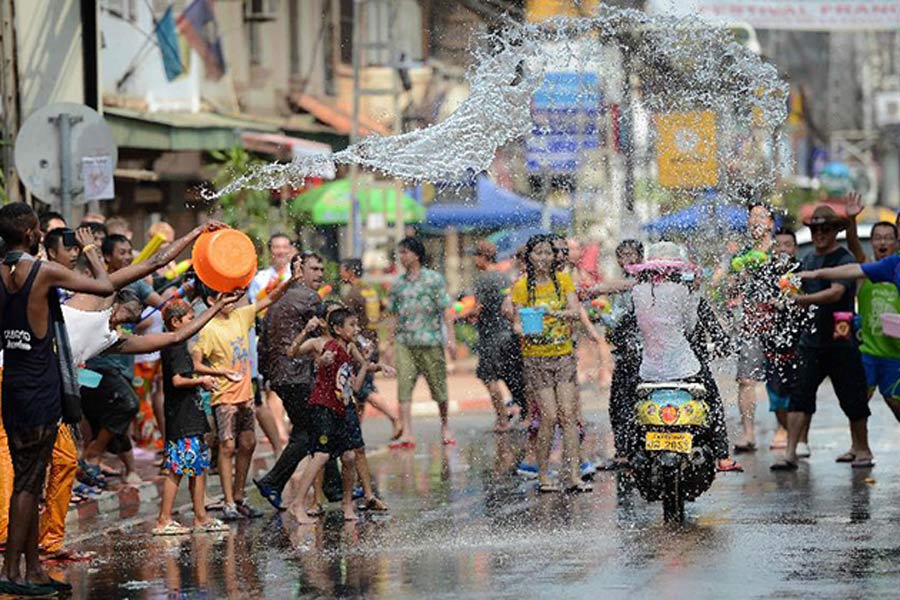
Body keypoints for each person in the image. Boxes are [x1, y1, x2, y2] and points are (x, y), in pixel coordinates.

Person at [0, 202, 114, 596]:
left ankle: (32, 569)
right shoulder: (42, 270)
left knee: (27, 478)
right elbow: (105, 286)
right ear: (32, 234)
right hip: (38, 386)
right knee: (29, 483)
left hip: (12, 383)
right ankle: (13, 570)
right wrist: (91, 252)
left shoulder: (2, 270)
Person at [772, 206, 873, 470]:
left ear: (836, 231)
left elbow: (836, 293)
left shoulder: (843, 259)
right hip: (812, 341)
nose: (819, 234)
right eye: (815, 229)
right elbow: (794, 291)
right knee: (799, 396)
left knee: (853, 397)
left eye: (825, 229)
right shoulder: (808, 261)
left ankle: (862, 448)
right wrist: (782, 300)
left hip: (841, 341)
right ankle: (791, 452)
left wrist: (802, 300)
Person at [192, 273, 296, 521]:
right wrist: (221, 372)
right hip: (223, 397)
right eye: (225, 298)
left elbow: (270, 297)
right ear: (211, 301)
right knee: (227, 446)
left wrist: (292, 281)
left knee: (248, 443)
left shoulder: (241, 315)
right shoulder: (208, 328)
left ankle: (239, 496)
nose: (231, 302)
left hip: (246, 395)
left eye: (232, 298)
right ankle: (228, 502)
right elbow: (196, 363)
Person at [626, 242, 733, 469]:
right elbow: (691, 327)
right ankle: (722, 456)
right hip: (685, 368)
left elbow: (628, 327)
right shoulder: (684, 293)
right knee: (712, 402)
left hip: (649, 371)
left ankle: (627, 454)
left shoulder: (636, 292)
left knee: (629, 404)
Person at [806, 194, 900, 424]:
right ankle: (859, 446)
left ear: (896, 241)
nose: (882, 242)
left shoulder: (894, 265)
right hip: (868, 350)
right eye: (877, 237)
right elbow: (854, 255)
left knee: (896, 402)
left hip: (896, 353)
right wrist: (852, 221)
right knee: (857, 400)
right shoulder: (878, 267)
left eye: (888, 237)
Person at [289, 308, 387, 524]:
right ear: (337, 328)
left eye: (356, 324)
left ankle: (346, 504)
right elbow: (293, 353)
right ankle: (298, 503)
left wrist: (370, 363)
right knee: (321, 455)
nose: (357, 328)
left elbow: (356, 384)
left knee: (350, 457)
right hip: (323, 407)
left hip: (341, 408)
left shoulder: (350, 348)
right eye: (352, 325)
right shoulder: (326, 346)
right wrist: (318, 359)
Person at [511, 234, 592, 494]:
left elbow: (575, 312)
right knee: (548, 416)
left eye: (548, 253)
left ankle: (574, 476)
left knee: (568, 416)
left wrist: (553, 313)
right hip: (536, 358)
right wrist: (525, 331)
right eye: (539, 253)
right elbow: (515, 323)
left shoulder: (563, 281)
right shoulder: (522, 287)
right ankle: (544, 475)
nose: (544, 258)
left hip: (563, 355)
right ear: (529, 258)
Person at [153, 297, 237, 535]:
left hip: (191, 414)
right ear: (176, 322)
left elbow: (191, 369)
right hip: (183, 417)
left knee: (197, 467)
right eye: (190, 319)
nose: (193, 323)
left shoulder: (178, 346)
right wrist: (202, 381)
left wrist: (220, 372)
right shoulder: (176, 346)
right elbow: (178, 380)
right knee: (178, 468)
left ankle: (201, 517)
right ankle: (163, 519)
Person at [253, 251, 326, 510]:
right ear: (300, 270)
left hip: (279, 377)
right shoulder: (310, 299)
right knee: (311, 433)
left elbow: (263, 341)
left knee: (309, 431)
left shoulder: (278, 298)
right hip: (298, 376)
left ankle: (330, 488)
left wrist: (269, 375)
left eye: (321, 269)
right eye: (314, 269)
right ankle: (274, 482)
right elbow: (322, 342)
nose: (320, 274)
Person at [388, 237, 457, 447]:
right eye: (400, 253)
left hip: (430, 341)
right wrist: (389, 344)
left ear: (416, 255)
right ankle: (407, 431)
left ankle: (445, 426)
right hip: (405, 342)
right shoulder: (398, 284)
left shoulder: (434, 280)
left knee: (438, 387)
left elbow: (445, 310)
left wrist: (451, 339)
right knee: (404, 387)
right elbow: (394, 315)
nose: (401, 257)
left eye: (405, 252)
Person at [730, 202, 776, 453]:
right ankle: (748, 434)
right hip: (750, 324)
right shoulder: (741, 255)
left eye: (760, 216)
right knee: (746, 380)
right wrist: (736, 278)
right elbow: (728, 289)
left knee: (782, 380)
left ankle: (786, 431)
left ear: (771, 223)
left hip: (778, 323)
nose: (754, 221)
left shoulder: (780, 251)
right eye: (751, 217)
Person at [339, 258, 402, 438]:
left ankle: (394, 418)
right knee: (360, 392)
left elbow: (346, 321)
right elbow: (383, 309)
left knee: (363, 389)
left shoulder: (353, 293)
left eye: (343, 270)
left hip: (360, 347)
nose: (341, 274)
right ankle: (354, 432)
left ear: (351, 272)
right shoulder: (369, 290)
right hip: (372, 342)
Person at [470, 241, 527, 432]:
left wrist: (465, 316)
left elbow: (478, 308)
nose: (473, 260)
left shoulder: (483, 279)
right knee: (511, 376)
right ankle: (525, 413)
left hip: (490, 337)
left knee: (488, 377)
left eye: (475, 256)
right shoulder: (505, 278)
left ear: (483, 258)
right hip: (508, 335)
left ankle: (502, 418)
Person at [764, 228, 811, 456]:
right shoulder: (766, 275)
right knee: (776, 395)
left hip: (800, 342)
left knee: (801, 394)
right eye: (779, 244)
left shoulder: (804, 273)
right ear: (773, 249)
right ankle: (787, 431)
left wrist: (792, 303)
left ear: (795, 248)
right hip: (773, 345)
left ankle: (801, 439)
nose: (783, 249)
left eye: (788, 244)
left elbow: (811, 305)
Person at [250, 233, 297, 458]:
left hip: (293, 338)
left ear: (290, 250)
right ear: (270, 250)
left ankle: (289, 426)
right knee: (271, 386)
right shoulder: (260, 278)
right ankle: (279, 430)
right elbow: (254, 307)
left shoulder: (297, 275)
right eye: (276, 247)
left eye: (284, 247)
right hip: (267, 339)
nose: (280, 251)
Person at [600, 239, 643, 469]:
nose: (625, 260)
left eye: (630, 255)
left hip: (636, 354)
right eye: (621, 256)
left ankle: (627, 452)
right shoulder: (626, 282)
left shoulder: (639, 282)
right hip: (625, 353)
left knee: (625, 403)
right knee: (619, 403)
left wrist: (602, 315)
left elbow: (622, 319)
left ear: (640, 257)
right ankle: (627, 449)